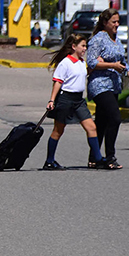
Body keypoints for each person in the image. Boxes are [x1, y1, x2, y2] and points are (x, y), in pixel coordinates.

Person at [86, 8, 129, 169]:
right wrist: (111, 65)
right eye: (114, 22)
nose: (117, 25)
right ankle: (109, 157)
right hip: (99, 85)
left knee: (102, 122)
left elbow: (124, 66)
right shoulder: (98, 39)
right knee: (115, 118)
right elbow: (91, 62)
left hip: (113, 86)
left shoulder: (116, 40)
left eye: (118, 21)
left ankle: (94, 158)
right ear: (105, 23)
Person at [43, 34, 113, 170]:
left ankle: (98, 159)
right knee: (58, 131)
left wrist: (94, 66)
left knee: (91, 127)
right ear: (74, 47)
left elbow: (82, 74)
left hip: (79, 100)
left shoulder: (81, 62)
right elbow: (57, 82)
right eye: (83, 46)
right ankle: (49, 161)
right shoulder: (65, 63)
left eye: (85, 46)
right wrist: (52, 100)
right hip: (65, 99)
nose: (85, 49)